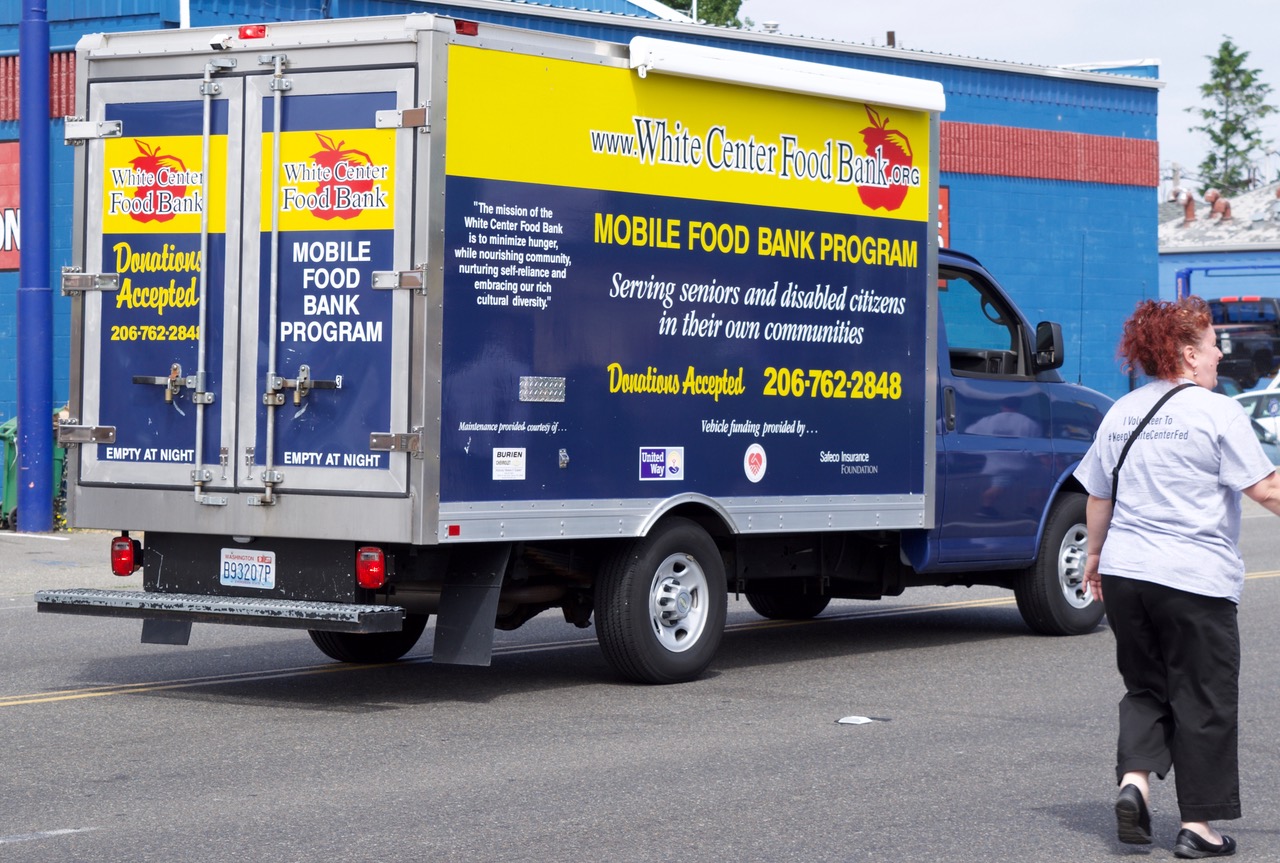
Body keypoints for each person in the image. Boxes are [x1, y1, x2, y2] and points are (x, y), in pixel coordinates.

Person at [1074, 297, 1280, 859]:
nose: (1219, 353)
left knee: (1147, 687)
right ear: (1188, 354)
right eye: (1213, 344)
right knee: (1204, 698)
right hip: (1193, 579)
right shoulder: (1217, 412)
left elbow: (1097, 492)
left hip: (1125, 576)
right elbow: (1266, 489)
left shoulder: (1121, 411)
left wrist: (1094, 558)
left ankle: (1134, 784)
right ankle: (1198, 827)